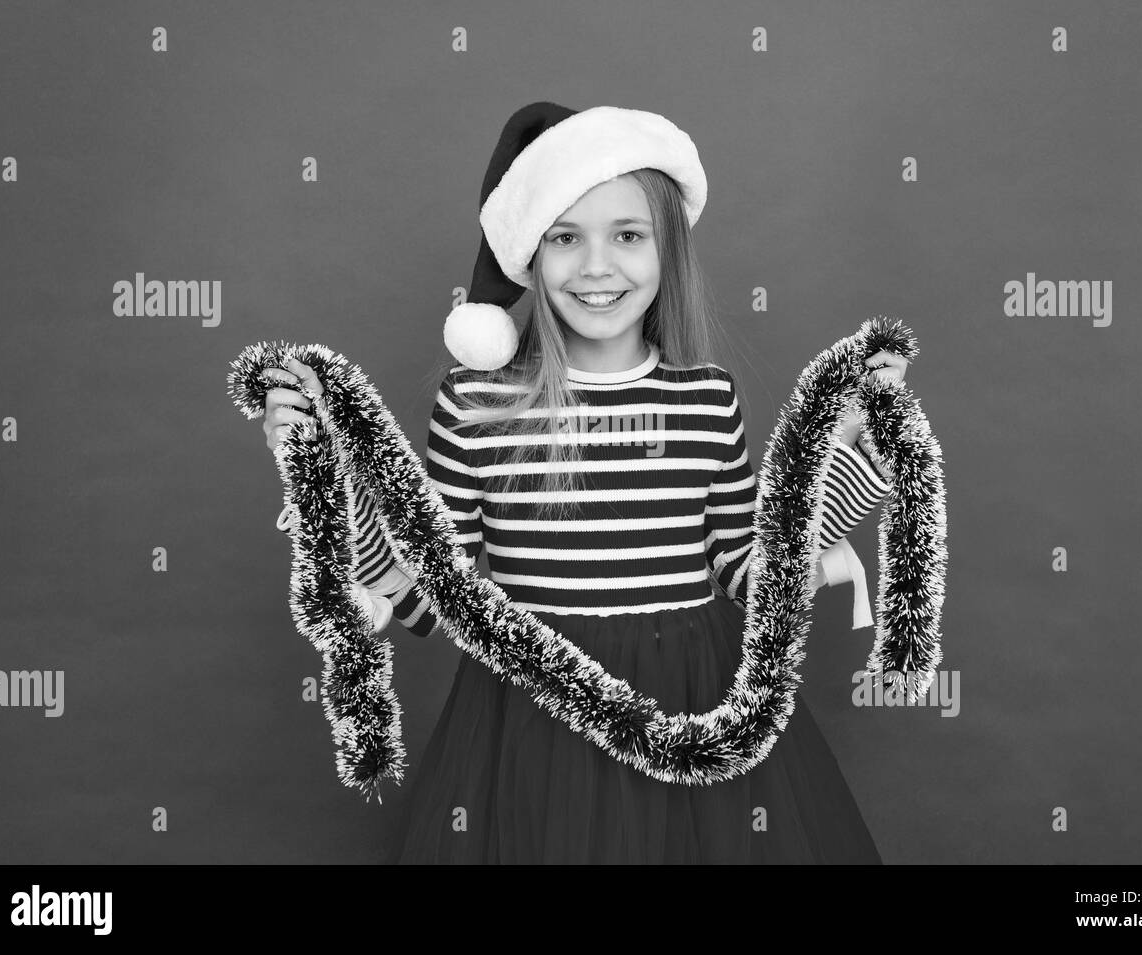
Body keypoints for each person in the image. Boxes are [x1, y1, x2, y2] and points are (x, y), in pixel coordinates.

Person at [258, 102, 910, 864]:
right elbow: (433, 600)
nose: (597, 267)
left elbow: (750, 572)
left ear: (668, 248)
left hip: (699, 703)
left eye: (627, 235)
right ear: (530, 255)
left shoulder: (706, 398)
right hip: (533, 717)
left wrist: (858, 455)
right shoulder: (478, 407)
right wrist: (325, 479)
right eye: (566, 238)